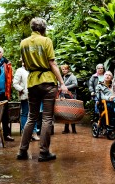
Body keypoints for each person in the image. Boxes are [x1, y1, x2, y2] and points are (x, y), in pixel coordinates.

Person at [17, 17, 68, 162]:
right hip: (47, 81)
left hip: (32, 81)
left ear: (32, 28)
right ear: (43, 28)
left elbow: (25, 65)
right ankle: (44, 152)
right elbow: (52, 64)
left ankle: (22, 151)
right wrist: (62, 83)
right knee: (46, 118)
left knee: (31, 117)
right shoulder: (46, 41)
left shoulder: (23, 43)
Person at [12, 59, 40, 141]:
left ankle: (34, 133)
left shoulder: (34, 70)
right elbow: (15, 83)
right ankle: (26, 133)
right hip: (25, 95)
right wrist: (23, 90)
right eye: (23, 61)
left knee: (34, 114)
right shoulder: (20, 70)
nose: (25, 62)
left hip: (35, 96)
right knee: (25, 113)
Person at [60, 64, 78, 134]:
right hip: (64, 95)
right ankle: (66, 128)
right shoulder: (62, 77)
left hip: (71, 95)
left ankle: (73, 129)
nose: (64, 70)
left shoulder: (72, 76)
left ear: (68, 69)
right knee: (66, 112)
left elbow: (75, 84)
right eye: (63, 69)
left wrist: (66, 87)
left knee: (72, 112)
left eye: (65, 69)